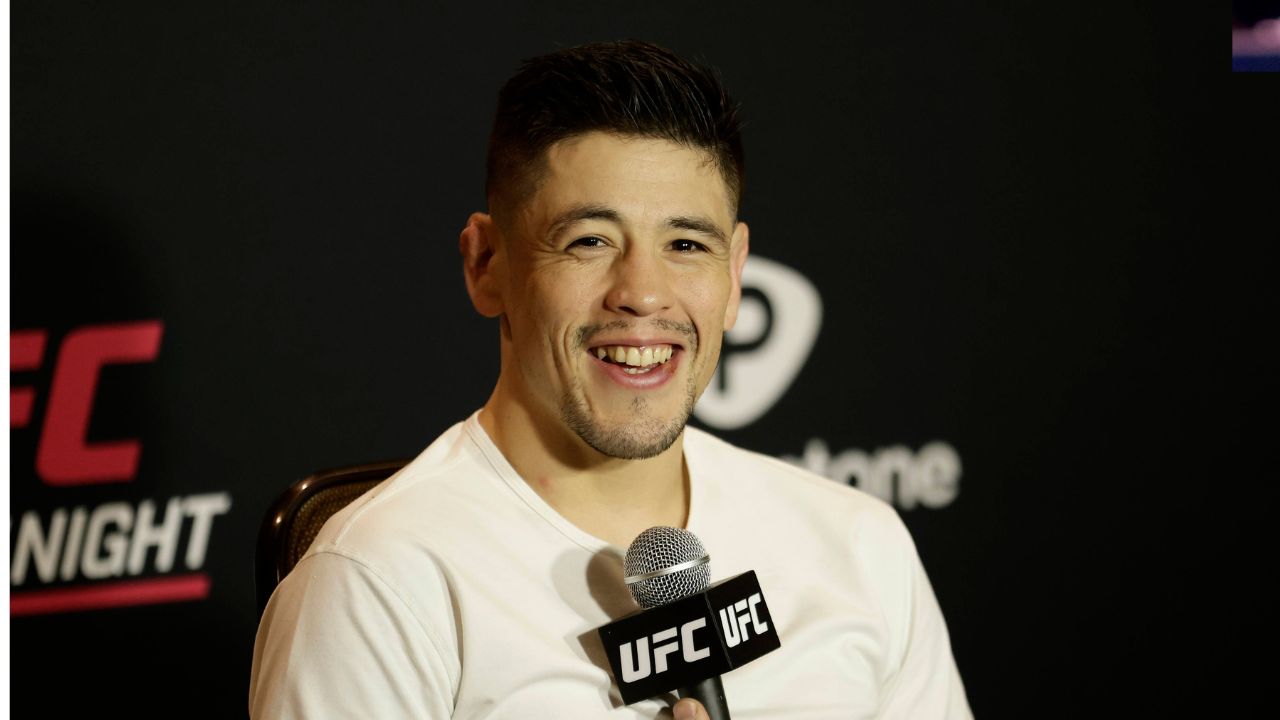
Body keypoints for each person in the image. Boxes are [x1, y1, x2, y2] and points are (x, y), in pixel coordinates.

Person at [249, 40, 972, 719]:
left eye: (686, 244)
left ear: (735, 273)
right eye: (589, 241)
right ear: (486, 264)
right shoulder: (378, 583)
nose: (643, 294)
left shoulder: (857, 544)